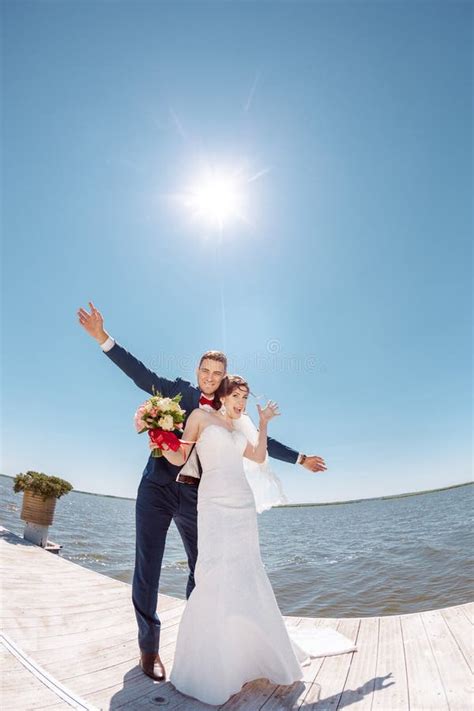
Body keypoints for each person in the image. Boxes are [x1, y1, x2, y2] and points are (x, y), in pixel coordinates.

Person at [77, 302, 327, 682]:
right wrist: (103, 339)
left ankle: (200, 646)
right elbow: (141, 375)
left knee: (204, 569)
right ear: (197, 372)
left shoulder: (231, 413)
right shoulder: (179, 393)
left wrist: (301, 457)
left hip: (198, 499)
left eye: (218, 373)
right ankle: (149, 648)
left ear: (225, 379)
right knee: (148, 567)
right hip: (157, 488)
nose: (211, 378)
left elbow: (263, 444)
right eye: (206, 371)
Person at [160, 375, 357, 706]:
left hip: (241, 503)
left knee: (248, 571)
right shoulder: (199, 417)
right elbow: (180, 457)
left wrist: (262, 423)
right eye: (236, 395)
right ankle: (214, 664)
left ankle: (252, 656)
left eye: (245, 398)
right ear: (222, 395)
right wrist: (157, 435)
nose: (241, 402)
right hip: (212, 503)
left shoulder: (241, 427)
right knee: (213, 572)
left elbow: (257, 455)